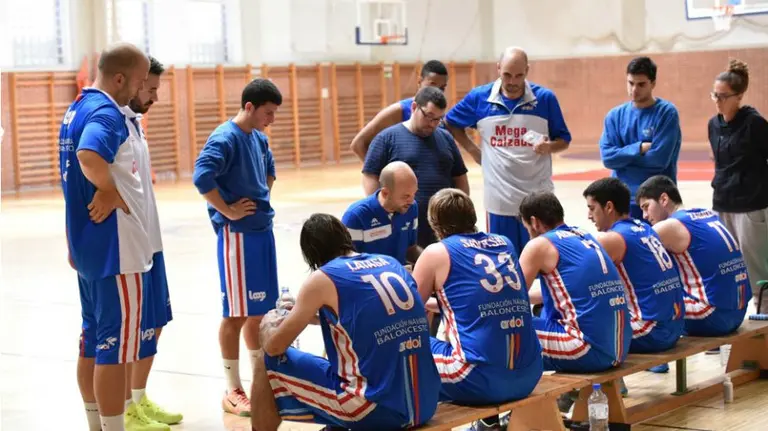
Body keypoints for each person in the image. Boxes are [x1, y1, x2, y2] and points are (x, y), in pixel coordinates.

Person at [250, 213, 440, 431]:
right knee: (357, 360)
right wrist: (305, 312)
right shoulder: (391, 263)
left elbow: (275, 347)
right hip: (426, 403)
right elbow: (361, 317)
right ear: (346, 238)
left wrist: (269, 325)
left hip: (376, 409)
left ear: (312, 255)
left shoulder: (323, 277)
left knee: (264, 362)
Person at [59, 42, 152, 431]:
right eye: (139, 82)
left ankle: (96, 424)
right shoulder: (105, 112)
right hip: (117, 251)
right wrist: (110, 190)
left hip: (90, 247)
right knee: (114, 351)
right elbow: (88, 155)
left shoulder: (77, 107)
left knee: (94, 340)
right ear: (119, 78)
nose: (139, 90)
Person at [412, 188, 542, 431]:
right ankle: (487, 422)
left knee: (406, 349)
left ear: (434, 223)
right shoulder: (504, 243)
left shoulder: (436, 252)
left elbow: (408, 314)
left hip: (480, 380)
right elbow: (475, 303)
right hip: (530, 374)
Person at [192, 78, 282, 416]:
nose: (271, 119)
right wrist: (227, 210)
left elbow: (270, 172)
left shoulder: (258, 138)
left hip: (261, 231)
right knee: (236, 313)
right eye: (268, 113)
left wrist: (263, 195)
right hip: (238, 236)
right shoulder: (225, 138)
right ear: (249, 107)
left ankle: (261, 380)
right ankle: (232, 389)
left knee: (259, 312)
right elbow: (202, 177)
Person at [445, 46, 571, 254]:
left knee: (543, 259)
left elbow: (564, 140)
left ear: (527, 71)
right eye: (507, 75)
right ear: (498, 69)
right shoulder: (480, 97)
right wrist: (473, 150)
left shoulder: (545, 98)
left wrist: (549, 147)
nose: (512, 81)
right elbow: (451, 122)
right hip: (499, 202)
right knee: (505, 259)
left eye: (519, 75)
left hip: (538, 198)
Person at [120, 55, 183, 428]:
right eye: (151, 88)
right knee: (131, 327)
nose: (155, 96)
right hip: (130, 247)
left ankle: (139, 399)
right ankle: (125, 406)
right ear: (131, 81)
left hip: (151, 242)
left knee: (155, 321)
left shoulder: (135, 123)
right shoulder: (111, 123)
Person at [517, 192, 632, 373]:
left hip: (587, 350)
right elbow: (574, 291)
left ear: (534, 222)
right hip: (620, 346)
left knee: (506, 333)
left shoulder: (539, 245)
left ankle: (506, 393)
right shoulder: (584, 235)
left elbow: (513, 299)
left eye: (527, 228)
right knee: (545, 309)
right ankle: (569, 395)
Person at [583, 177, 686, 376]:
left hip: (652, 331)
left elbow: (575, 285)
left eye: (592, 208)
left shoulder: (611, 238)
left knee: (581, 331)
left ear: (609, 207)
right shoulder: (644, 228)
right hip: (676, 325)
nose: (588, 215)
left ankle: (597, 390)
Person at [636, 175, 752, 336]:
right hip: (739, 310)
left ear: (663, 199)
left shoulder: (667, 227)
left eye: (646, 207)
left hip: (712, 315)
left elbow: (633, 259)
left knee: (639, 310)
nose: (644, 216)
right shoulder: (707, 214)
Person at [362, 86, 469, 249]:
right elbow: (370, 176)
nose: (433, 124)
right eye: (429, 116)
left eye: (438, 119)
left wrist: (461, 211)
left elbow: (460, 177)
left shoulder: (446, 138)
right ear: (414, 107)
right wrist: (382, 214)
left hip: (444, 228)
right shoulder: (386, 138)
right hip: (402, 226)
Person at [708, 59, 768, 312]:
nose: (718, 101)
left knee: (756, 269)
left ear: (739, 96)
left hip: (751, 205)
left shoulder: (754, 123)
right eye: (715, 95)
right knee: (728, 265)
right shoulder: (714, 124)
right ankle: (732, 318)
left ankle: (764, 318)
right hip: (723, 203)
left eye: (724, 96)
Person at [599, 56, 682, 220]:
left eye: (641, 84)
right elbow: (608, 158)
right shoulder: (615, 116)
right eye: (630, 83)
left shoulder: (666, 113)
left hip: (656, 201)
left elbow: (658, 160)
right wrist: (638, 149)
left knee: (658, 245)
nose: (634, 89)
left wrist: (622, 158)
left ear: (653, 83)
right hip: (623, 199)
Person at [350, 60, 449, 160]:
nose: (437, 91)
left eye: (442, 88)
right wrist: (375, 173)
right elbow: (358, 144)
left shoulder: (440, 115)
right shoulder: (398, 111)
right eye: (432, 85)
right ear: (419, 82)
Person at [342, 161, 421, 268]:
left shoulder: (411, 208)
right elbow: (345, 263)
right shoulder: (355, 216)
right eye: (406, 196)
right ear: (385, 193)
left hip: (398, 278)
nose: (411, 201)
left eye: (414, 194)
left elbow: (411, 249)